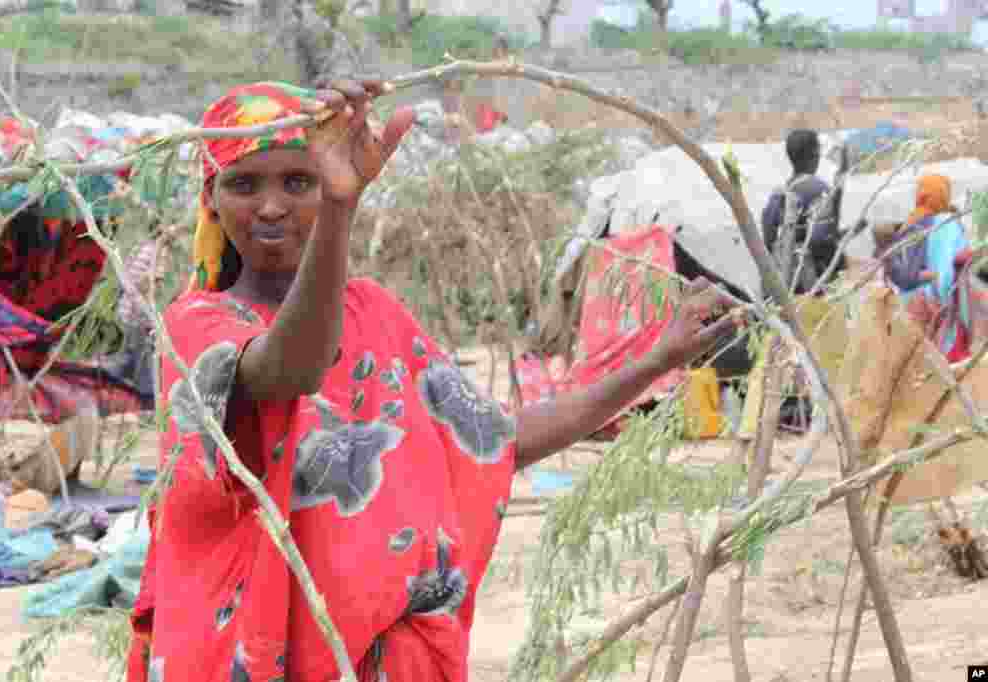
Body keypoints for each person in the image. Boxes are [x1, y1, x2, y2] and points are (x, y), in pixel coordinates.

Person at [124, 80, 739, 682]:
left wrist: (657, 360)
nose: (272, 205)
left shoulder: (376, 316)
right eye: (243, 184)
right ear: (210, 199)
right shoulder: (198, 327)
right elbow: (291, 371)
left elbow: (495, 441)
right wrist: (340, 205)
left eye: (298, 181)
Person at [882, 173, 972, 362]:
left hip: (909, 305)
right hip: (937, 304)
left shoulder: (909, 223)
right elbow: (947, 270)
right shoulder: (947, 223)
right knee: (945, 361)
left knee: (918, 362)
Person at [761, 128, 845, 294]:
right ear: (814, 154)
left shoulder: (779, 193)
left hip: (781, 283)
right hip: (811, 285)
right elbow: (821, 240)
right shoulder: (819, 189)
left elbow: (768, 238)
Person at [112, 223, 181, 398]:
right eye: (172, 228)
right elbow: (148, 282)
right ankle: (147, 398)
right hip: (138, 313)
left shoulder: (142, 247)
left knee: (129, 356)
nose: (175, 233)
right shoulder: (159, 252)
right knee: (143, 358)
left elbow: (126, 278)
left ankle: (113, 385)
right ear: (161, 229)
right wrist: (149, 310)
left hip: (127, 309)